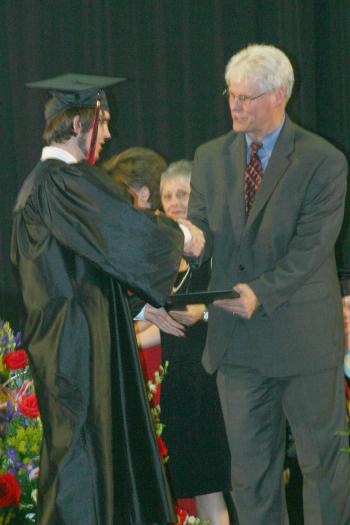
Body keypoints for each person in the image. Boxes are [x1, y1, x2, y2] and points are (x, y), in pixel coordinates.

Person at [10, 73, 204, 525]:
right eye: (105, 121)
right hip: (77, 354)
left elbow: (80, 270)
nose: (110, 134)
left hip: (76, 345)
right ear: (80, 124)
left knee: (100, 464)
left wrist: (136, 306)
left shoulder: (43, 187)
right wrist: (181, 234)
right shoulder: (61, 183)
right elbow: (121, 231)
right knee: (84, 469)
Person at [187, 44, 350, 525]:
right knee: (250, 476)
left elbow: (312, 247)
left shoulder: (323, 160)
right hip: (238, 348)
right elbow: (201, 231)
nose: (235, 105)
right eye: (230, 95)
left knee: (323, 467)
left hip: (304, 343)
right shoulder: (209, 156)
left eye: (246, 97)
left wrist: (261, 291)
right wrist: (188, 245)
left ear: (279, 95)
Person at [123, 159, 232, 525]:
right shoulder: (162, 258)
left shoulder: (214, 251)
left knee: (216, 486)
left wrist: (202, 312)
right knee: (196, 487)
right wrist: (127, 341)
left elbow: (240, 310)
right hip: (178, 383)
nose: (174, 202)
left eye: (182, 194)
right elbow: (165, 324)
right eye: (167, 195)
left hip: (210, 379)